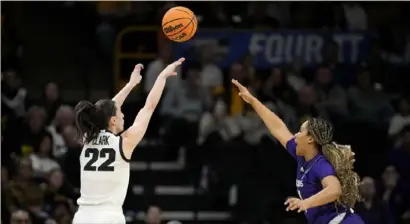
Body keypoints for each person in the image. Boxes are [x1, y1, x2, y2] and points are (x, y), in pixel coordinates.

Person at [231, 79, 364, 224]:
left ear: (310, 140)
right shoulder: (301, 156)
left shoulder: (321, 164)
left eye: (300, 131)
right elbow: (278, 128)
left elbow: (334, 190)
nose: (295, 135)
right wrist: (252, 101)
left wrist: (305, 203)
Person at [72, 58, 185, 224]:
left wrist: (131, 85)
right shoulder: (123, 143)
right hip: (109, 217)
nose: (123, 115)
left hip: (82, 217)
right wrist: (161, 78)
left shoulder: (87, 139)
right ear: (113, 120)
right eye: (120, 114)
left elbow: (105, 112)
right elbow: (149, 106)